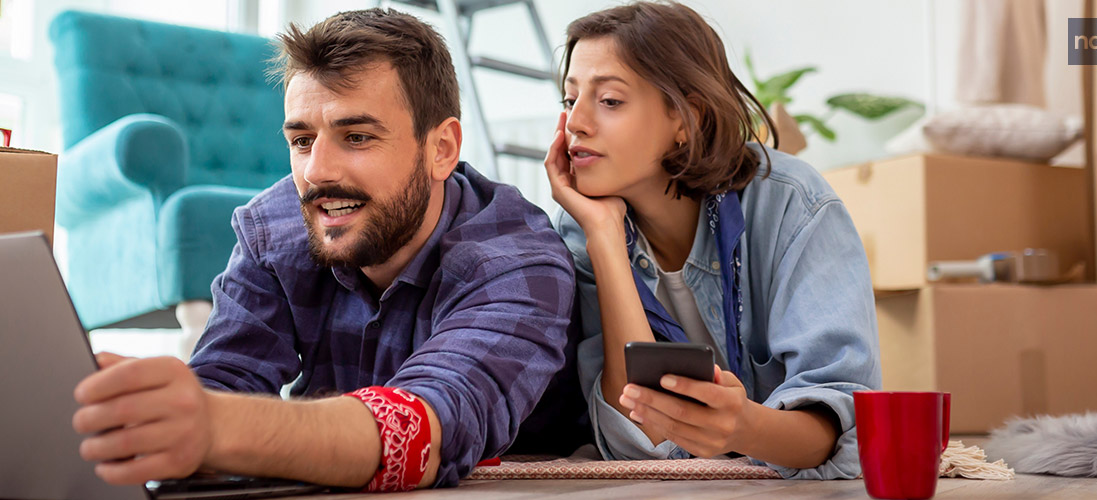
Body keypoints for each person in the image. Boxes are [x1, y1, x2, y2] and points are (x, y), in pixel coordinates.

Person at [69, 8, 585, 491]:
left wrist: (213, 425)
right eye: (300, 140)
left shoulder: (517, 260)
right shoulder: (276, 229)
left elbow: (426, 429)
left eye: (356, 136)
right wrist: (143, 416)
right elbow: (226, 381)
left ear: (442, 149)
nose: (316, 171)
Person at [544, 1, 881, 479]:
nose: (575, 122)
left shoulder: (795, 205)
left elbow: (839, 428)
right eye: (569, 99)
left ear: (686, 118)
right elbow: (634, 440)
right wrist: (603, 236)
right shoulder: (583, 227)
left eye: (610, 100)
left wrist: (743, 428)